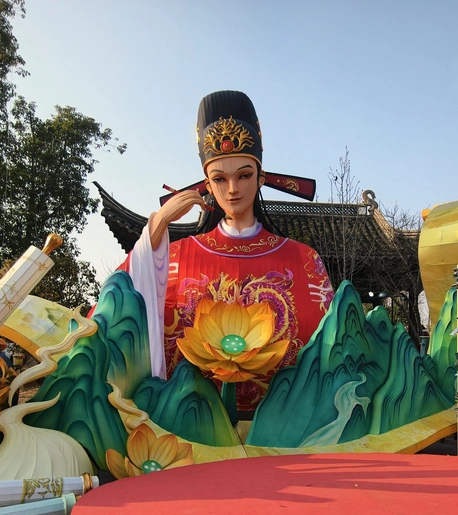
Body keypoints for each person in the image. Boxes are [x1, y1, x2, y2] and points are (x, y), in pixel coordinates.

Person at [117, 90, 334, 410]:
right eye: (220, 179)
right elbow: (114, 307)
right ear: (206, 184)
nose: (232, 189)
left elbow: (333, 350)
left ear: (260, 178)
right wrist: (156, 228)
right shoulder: (174, 257)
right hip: (188, 429)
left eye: (244, 175)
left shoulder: (304, 259)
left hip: (287, 430)